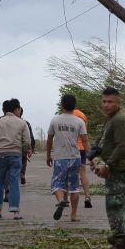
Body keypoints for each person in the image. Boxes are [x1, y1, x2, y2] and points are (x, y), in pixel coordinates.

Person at [89, 86, 125, 249]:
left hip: (119, 167)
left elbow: (122, 147)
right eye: (104, 101)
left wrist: (108, 165)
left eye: (110, 102)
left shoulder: (119, 120)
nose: (106, 105)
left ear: (118, 102)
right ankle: (122, 237)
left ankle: (120, 241)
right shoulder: (112, 119)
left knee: (115, 204)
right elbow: (111, 145)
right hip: (117, 166)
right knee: (121, 203)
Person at [46, 93, 90, 222]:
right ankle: (74, 215)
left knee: (56, 184)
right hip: (75, 157)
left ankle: (61, 201)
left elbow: (49, 139)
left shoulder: (55, 120)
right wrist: (91, 157)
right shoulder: (79, 121)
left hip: (60, 158)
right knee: (74, 187)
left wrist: (49, 155)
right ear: (74, 106)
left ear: (62, 105)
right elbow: (85, 141)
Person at [0, 99, 31, 219]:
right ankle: (16, 211)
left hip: (1, 155)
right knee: (14, 183)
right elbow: (27, 141)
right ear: (16, 109)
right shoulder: (22, 123)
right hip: (15, 155)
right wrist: (23, 151)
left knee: (0, 182)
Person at [72, 105, 94, 209]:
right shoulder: (83, 116)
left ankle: (67, 199)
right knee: (83, 173)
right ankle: (87, 196)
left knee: (69, 174)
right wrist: (90, 156)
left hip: (70, 149)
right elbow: (85, 135)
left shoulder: (67, 115)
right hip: (81, 148)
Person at [12, 101, 35, 185]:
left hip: (14, 146)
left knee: (17, 162)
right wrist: (31, 148)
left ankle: (17, 176)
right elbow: (30, 137)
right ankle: (22, 175)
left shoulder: (10, 123)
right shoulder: (26, 123)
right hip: (24, 146)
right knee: (23, 161)